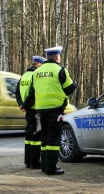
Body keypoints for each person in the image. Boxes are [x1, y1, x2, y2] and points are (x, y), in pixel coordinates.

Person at [22, 46, 77, 175]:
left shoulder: (36, 72)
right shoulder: (60, 70)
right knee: (54, 138)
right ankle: (51, 168)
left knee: (44, 138)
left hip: (41, 109)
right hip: (55, 108)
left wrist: (25, 105)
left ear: (48, 57)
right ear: (57, 57)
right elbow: (69, 89)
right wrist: (74, 84)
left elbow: (32, 92)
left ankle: (45, 166)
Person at [15, 55, 47, 169]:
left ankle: (28, 161)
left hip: (28, 110)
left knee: (29, 136)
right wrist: (26, 105)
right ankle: (34, 163)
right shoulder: (35, 76)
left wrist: (22, 105)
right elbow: (33, 94)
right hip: (35, 109)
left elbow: (17, 93)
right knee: (36, 137)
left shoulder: (23, 76)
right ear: (39, 65)